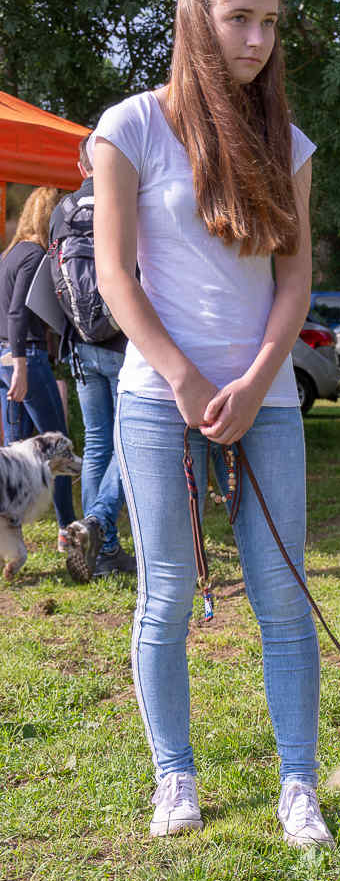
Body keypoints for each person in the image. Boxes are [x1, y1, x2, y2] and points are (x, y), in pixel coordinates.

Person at [91, 0, 332, 845]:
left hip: (263, 397)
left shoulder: (287, 142)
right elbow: (116, 278)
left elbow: (295, 282)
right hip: (158, 395)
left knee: (282, 593)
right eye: (241, 18)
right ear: (196, 20)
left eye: (270, 23)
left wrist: (258, 378)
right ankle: (174, 778)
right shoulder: (129, 128)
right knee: (164, 592)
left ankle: (298, 785)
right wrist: (188, 379)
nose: (259, 39)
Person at [49, 136, 136, 582]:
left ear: (80, 164)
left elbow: (51, 282)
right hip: (125, 344)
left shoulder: (62, 210)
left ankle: (103, 550)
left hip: (80, 348)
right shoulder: (125, 201)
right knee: (127, 442)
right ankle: (98, 526)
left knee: (99, 443)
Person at [0, 187, 76, 548]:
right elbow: (16, 312)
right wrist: (21, 366)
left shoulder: (10, 254)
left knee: (13, 453)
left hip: (4, 358)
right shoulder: (33, 256)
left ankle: (11, 527)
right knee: (55, 444)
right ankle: (67, 529)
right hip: (24, 359)